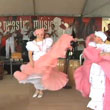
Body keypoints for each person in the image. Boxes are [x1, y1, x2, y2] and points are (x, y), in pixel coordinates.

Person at [14, 33, 74, 98]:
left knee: (41, 77)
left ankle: (40, 91)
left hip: (44, 63)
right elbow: (30, 54)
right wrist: (31, 63)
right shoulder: (32, 43)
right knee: (34, 77)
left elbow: (54, 49)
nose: (42, 36)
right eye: (41, 34)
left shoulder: (47, 43)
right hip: (35, 62)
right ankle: (37, 90)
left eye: (43, 35)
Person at [74, 31, 110, 110]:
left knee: (100, 87)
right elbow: (89, 55)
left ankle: (99, 106)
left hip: (102, 71)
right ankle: (95, 104)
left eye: (96, 36)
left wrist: (104, 54)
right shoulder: (92, 46)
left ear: (100, 38)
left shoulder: (106, 47)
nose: (94, 37)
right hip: (93, 69)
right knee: (93, 85)